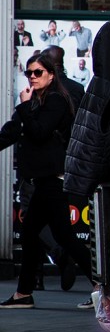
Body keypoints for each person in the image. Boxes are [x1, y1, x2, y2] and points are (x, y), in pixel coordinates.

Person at [0, 54, 95, 309]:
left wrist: (23, 106)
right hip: (42, 179)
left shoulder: (56, 101)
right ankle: (24, 293)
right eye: (30, 72)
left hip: (54, 179)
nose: (32, 76)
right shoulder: (35, 103)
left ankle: (102, 286)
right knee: (37, 234)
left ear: (51, 75)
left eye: (38, 72)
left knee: (62, 236)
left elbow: (39, 132)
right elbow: (12, 130)